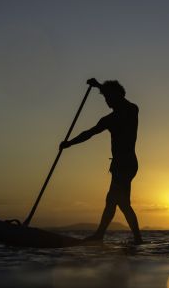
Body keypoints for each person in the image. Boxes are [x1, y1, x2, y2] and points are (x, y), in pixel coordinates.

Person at [60, 78, 143, 244]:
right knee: (117, 202)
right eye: (105, 98)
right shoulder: (108, 119)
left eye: (109, 97)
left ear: (118, 96)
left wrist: (99, 86)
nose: (107, 101)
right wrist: (69, 143)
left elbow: (119, 99)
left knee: (117, 201)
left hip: (127, 164)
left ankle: (105, 236)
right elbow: (89, 133)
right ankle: (130, 238)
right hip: (118, 165)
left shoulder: (131, 110)